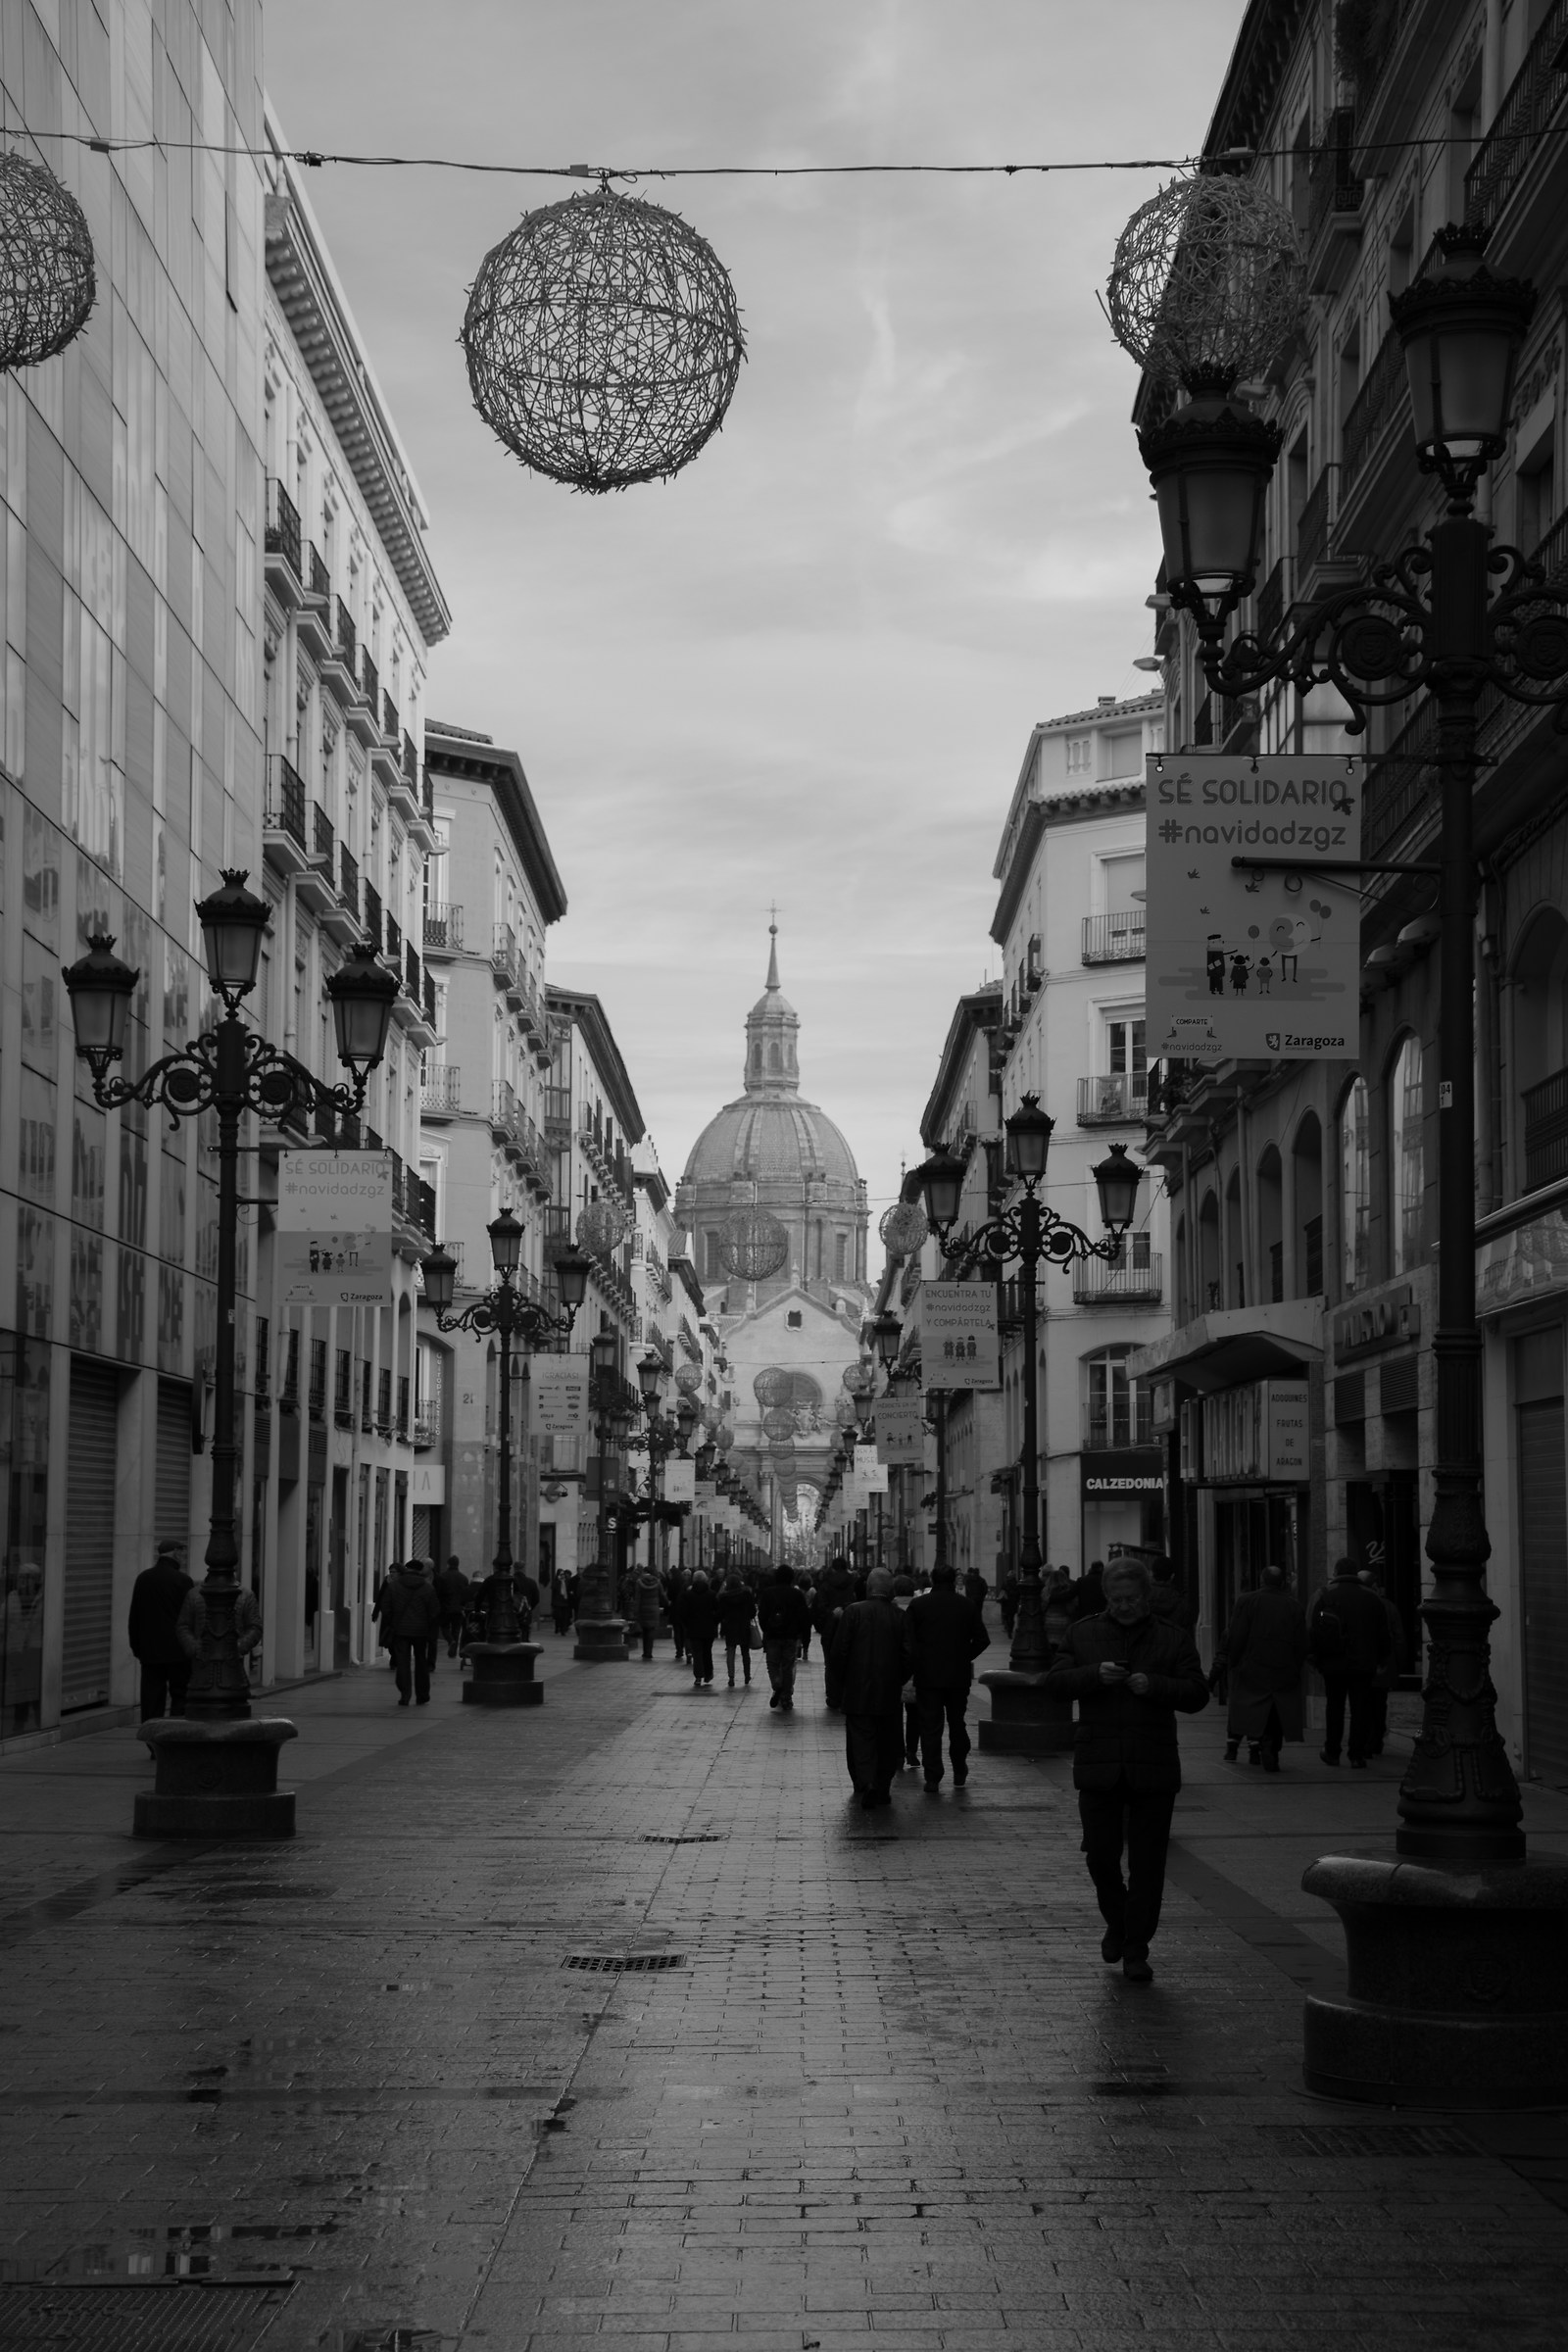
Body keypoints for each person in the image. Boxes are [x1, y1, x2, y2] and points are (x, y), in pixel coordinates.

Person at [1043, 1555, 1208, 1984]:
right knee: (1100, 1856)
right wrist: (1094, 1675)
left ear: (1146, 1596)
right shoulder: (1084, 1632)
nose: (1123, 1606)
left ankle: (1137, 1947)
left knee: (1148, 1864)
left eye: (1131, 1599)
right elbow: (1055, 1685)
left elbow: (1197, 1693)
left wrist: (1154, 1686)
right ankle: (1118, 1924)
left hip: (1152, 1762)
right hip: (1099, 1763)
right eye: (1115, 1599)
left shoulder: (1172, 1638)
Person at [904, 1560, 991, 1791]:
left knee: (930, 1726)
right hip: (956, 1676)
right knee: (957, 1723)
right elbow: (983, 1639)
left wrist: (917, 1661)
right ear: (953, 1580)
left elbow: (908, 1641)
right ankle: (959, 1768)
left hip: (927, 1676)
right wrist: (964, 1656)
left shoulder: (919, 1605)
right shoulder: (967, 1605)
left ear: (932, 1580)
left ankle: (933, 1776)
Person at [825, 1566, 906, 1809]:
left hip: (857, 1689)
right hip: (888, 1690)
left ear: (869, 1588)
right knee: (887, 1738)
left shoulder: (853, 1613)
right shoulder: (899, 1616)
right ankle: (882, 1784)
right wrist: (897, 1677)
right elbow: (909, 1653)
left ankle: (867, 1782)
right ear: (890, 1591)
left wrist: (843, 1681)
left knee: (861, 1739)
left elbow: (839, 1652)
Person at [1222, 1564, 1307, 1771]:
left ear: (1261, 1580)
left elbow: (1237, 1635)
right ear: (1282, 1583)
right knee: (1277, 1710)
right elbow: (1301, 1642)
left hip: (1253, 1666)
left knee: (1250, 1707)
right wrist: (1296, 1667)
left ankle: (1251, 1745)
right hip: (1282, 1668)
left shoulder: (1247, 1601)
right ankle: (1271, 1747)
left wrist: (1234, 1661)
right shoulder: (1293, 1606)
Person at [1309, 1556, 1392, 1767]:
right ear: (1356, 1573)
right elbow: (1383, 1632)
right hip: (1363, 1663)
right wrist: (1382, 1658)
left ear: (1336, 1572)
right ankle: (1357, 1753)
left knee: (1334, 1707)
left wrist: (1315, 1658)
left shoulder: (1325, 1594)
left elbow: (1314, 1631)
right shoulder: (1372, 1598)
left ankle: (1332, 1750)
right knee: (1360, 1708)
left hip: (1333, 1662)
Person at [127, 1540, 194, 1721]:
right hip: (178, 1650)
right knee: (180, 1695)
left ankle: (152, 1737)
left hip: (150, 1651)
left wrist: (137, 1647)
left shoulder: (144, 1578)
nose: (184, 1557)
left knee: (151, 1698)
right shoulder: (183, 1581)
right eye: (182, 1552)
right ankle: (176, 1735)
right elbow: (190, 1617)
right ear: (175, 1553)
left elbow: (135, 1616)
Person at [174, 1573, 264, 1693]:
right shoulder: (194, 1594)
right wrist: (195, 1647)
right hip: (201, 1666)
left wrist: (239, 1646)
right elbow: (183, 1626)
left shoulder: (245, 1595)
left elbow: (255, 1627)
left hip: (232, 1666)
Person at [376, 1557, 443, 1706]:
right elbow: (435, 1610)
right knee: (421, 1662)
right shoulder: (427, 1588)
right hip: (421, 1631)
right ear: (420, 1571)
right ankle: (422, 1695)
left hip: (400, 1630)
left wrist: (393, 1621)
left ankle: (405, 1694)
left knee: (402, 1662)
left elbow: (385, 1606)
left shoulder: (394, 1586)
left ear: (406, 1569)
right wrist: (426, 1624)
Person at [1361, 1568, 1408, 1757]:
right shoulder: (1387, 1606)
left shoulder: (1357, 1605)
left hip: (1360, 1664)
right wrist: (1398, 1663)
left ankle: (1365, 1741)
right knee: (1379, 1704)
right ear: (1375, 1586)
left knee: (1362, 1704)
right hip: (1383, 1665)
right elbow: (1398, 1638)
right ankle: (1375, 1739)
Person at [756, 1563, 812, 1710]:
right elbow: (804, 1617)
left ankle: (777, 1683)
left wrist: (766, 1629)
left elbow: (762, 1615)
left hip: (773, 1635)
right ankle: (786, 1697)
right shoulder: (797, 1594)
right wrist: (803, 1637)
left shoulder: (768, 1593)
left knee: (773, 1663)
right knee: (788, 1666)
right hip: (790, 1636)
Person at [892, 1574, 921, 1768]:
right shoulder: (920, 1609)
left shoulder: (889, 1609)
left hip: (892, 1668)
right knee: (914, 1713)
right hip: (915, 1668)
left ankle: (898, 1753)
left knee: (894, 1715)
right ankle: (912, 1750)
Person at [718, 1569, 758, 1688]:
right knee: (745, 1652)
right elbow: (752, 1611)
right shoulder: (746, 1594)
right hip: (744, 1626)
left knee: (731, 1651)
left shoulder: (724, 1597)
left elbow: (720, 1614)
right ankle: (747, 1675)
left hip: (730, 1627)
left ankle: (731, 1677)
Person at [683, 1569, 719, 1688]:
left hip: (693, 1628)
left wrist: (687, 1623)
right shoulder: (711, 1594)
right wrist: (715, 1621)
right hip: (709, 1628)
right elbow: (718, 1611)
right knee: (707, 1651)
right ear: (705, 1580)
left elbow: (683, 1611)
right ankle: (708, 1674)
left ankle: (698, 1676)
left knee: (697, 1652)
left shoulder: (688, 1595)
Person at [1149, 1554, 1196, 1632]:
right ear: (1172, 1576)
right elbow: (1188, 1638)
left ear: (1151, 1574)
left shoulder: (1141, 1599)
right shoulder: (1182, 1604)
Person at [435, 1555, 470, 1659]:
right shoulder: (463, 1578)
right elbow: (465, 1593)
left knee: (444, 1627)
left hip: (445, 1607)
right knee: (456, 1629)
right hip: (458, 1608)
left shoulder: (442, 1576)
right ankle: (453, 1651)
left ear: (448, 1564)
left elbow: (439, 1592)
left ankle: (451, 1641)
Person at [630, 1559, 662, 1660]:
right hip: (653, 1610)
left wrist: (635, 1612)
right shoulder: (657, 1582)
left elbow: (638, 1598)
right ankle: (649, 1652)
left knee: (644, 1631)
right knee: (651, 1631)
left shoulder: (639, 1582)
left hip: (643, 1610)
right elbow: (662, 1595)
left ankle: (645, 1652)